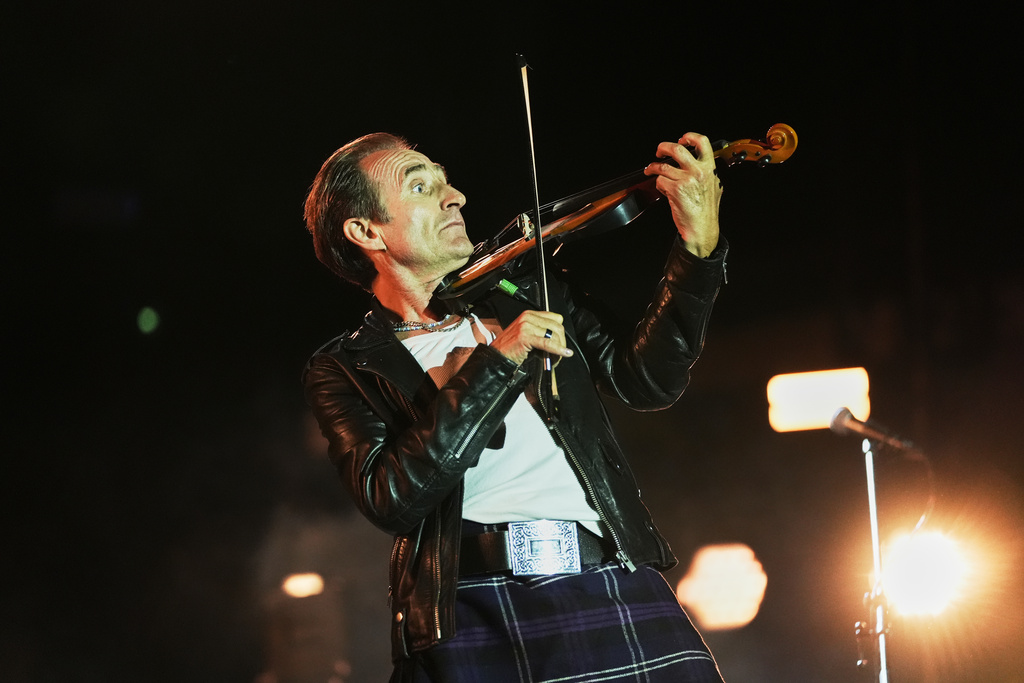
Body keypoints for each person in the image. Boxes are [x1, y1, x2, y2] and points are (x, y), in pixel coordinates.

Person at [302, 131, 729, 682]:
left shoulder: (525, 290)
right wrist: (497, 364)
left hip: (607, 578)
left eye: (445, 179)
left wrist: (697, 253)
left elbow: (646, 381)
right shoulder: (347, 366)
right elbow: (391, 498)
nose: (454, 196)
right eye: (421, 186)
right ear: (365, 230)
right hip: (474, 610)